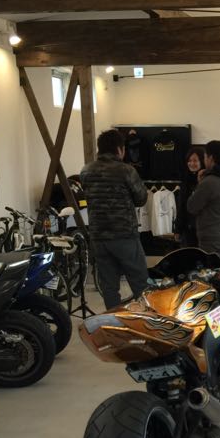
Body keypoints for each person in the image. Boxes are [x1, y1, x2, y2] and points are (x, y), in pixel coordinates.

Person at [79, 129, 149, 309]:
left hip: (98, 237)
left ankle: (114, 321)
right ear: (120, 149)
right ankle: (147, 320)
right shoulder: (126, 170)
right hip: (124, 235)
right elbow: (141, 199)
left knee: (109, 287)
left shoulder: (86, 171)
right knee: (140, 283)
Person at [187, 140, 220, 261]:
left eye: (205, 156)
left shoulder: (209, 181)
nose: (204, 160)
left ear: (211, 158)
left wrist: (199, 183)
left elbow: (192, 207)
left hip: (211, 235)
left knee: (211, 268)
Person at [176, 149, 204, 248]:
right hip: (187, 227)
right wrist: (178, 229)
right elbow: (181, 206)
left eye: (195, 160)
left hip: (202, 227)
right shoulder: (185, 180)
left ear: (202, 161)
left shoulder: (206, 180)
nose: (192, 163)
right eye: (189, 160)